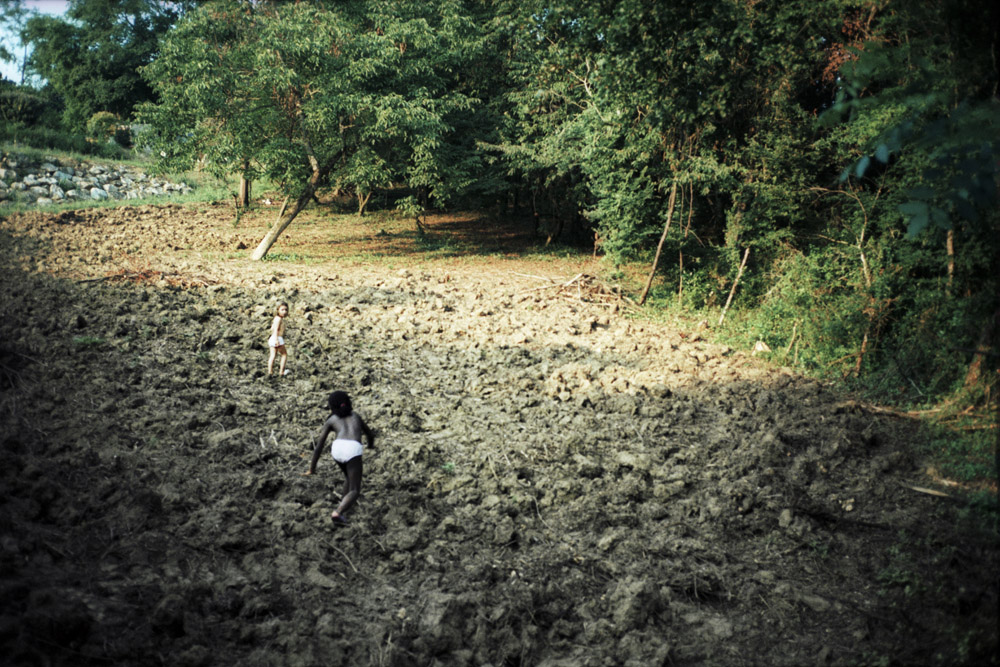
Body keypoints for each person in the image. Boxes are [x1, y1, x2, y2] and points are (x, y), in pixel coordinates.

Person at [303, 391, 375, 526]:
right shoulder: (356, 416)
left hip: (337, 449)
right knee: (355, 489)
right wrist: (370, 445)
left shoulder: (332, 420)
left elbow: (319, 447)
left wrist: (311, 468)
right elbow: (370, 434)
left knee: (348, 476)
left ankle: (343, 504)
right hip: (352, 449)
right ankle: (338, 512)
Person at [267, 302, 289, 376]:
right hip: (277, 338)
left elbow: (272, 328)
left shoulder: (276, 319)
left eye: (286, 310)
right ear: (278, 310)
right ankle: (281, 372)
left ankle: (270, 372)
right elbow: (275, 329)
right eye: (282, 310)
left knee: (273, 355)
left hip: (273, 338)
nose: (284, 312)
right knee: (284, 354)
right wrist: (277, 339)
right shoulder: (279, 319)